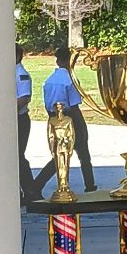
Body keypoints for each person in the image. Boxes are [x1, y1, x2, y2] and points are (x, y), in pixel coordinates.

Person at [32, 46, 96, 196]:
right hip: (71, 116)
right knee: (83, 154)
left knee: (59, 155)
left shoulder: (49, 81)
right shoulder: (70, 80)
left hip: (53, 117)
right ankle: (90, 185)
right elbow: (74, 105)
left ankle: (37, 184)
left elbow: (47, 104)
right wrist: (80, 126)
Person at [15, 43, 38, 203]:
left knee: (18, 156)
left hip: (19, 119)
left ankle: (30, 190)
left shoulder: (20, 74)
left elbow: (23, 98)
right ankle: (22, 192)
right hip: (10, 121)